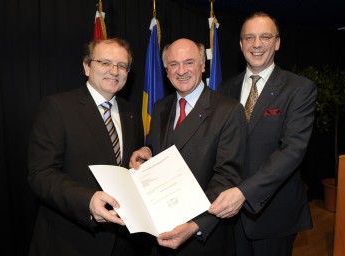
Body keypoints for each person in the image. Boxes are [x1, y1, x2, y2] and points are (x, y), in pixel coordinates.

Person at [208, 12, 317, 256]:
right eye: (250, 37)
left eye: (265, 37)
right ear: (241, 44)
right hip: (227, 213)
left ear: (277, 43)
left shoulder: (299, 89)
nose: (257, 44)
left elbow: (292, 151)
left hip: (273, 213)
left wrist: (244, 193)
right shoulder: (225, 89)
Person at [129, 38, 246, 256]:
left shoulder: (228, 110)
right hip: (160, 232)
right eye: (173, 64)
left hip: (203, 238)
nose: (181, 70)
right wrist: (147, 151)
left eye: (189, 62)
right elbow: (157, 145)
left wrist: (195, 225)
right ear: (166, 70)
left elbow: (228, 176)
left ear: (203, 65)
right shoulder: (160, 107)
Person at [27, 38, 144, 256]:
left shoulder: (131, 113)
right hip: (70, 241)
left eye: (121, 65)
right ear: (86, 66)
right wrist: (87, 201)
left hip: (123, 243)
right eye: (105, 62)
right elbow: (41, 174)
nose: (114, 71)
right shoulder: (57, 107)